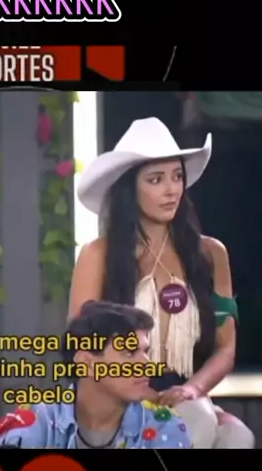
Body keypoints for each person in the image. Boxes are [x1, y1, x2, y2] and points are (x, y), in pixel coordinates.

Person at [70, 116, 254, 449]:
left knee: (238, 437)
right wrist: (144, 394)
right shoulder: (98, 255)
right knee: (194, 425)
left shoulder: (210, 253)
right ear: (129, 189)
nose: (171, 190)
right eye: (156, 179)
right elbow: (81, 347)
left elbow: (226, 347)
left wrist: (193, 389)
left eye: (177, 176)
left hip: (185, 394)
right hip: (119, 397)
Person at [0, 301, 192, 448]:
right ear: (87, 362)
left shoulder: (164, 426)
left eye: (145, 352)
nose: (146, 365)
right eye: (129, 353)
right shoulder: (35, 418)